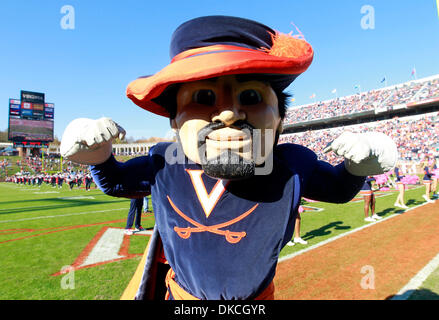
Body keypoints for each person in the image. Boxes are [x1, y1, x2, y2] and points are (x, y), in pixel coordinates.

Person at [60, 16, 398, 300]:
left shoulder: (291, 165)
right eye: (203, 97)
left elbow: (337, 189)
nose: (227, 113)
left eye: (249, 96)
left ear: (280, 117)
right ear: (174, 120)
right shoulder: (164, 162)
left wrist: (358, 169)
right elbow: (118, 181)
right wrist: (99, 157)